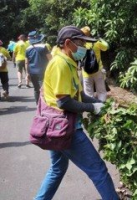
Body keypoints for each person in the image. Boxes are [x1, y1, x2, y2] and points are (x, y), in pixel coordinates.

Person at [33, 25, 119, 200]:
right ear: (68, 43)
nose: (84, 47)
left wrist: (100, 104)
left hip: (53, 127)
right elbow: (64, 101)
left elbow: (78, 95)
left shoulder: (69, 62)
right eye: (80, 42)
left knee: (57, 169)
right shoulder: (60, 64)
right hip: (64, 128)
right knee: (98, 170)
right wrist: (92, 108)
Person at [81, 26, 109, 102]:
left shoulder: (80, 45)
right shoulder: (96, 42)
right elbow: (106, 47)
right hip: (98, 70)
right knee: (101, 91)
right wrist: (100, 39)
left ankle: (91, 109)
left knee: (88, 92)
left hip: (85, 71)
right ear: (89, 33)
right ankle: (101, 107)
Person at [25, 31, 52, 104]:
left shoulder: (27, 49)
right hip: (43, 71)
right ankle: (45, 105)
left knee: (36, 89)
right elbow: (50, 59)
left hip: (32, 72)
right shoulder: (43, 47)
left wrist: (27, 73)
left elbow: (26, 62)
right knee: (44, 89)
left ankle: (38, 105)